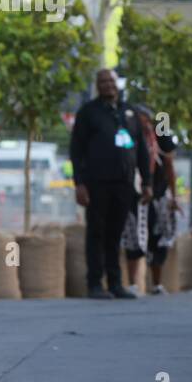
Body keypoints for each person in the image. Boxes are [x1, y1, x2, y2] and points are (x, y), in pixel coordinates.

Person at [70, 68, 151, 300]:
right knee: (96, 232)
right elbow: (76, 150)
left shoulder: (130, 112)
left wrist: (147, 181)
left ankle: (116, 283)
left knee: (116, 234)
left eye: (111, 81)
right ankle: (95, 284)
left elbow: (142, 150)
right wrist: (79, 184)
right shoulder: (88, 113)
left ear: (118, 84)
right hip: (96, 184)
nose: (108, 85)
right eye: (103, 81)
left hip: (124, 183)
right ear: (97, 86)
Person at [122, 106, 177, 295]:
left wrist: (173, 196)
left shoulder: (160, 137)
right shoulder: (128, 137)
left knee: (159, 238)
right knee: (133, 239)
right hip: (134, 197)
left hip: (158, 196)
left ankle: (157, 284)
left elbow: (169, 166)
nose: (142, 122)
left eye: (145, 119)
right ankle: (133, 284)